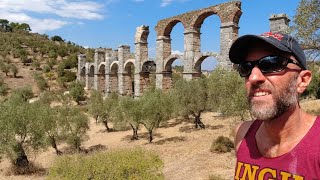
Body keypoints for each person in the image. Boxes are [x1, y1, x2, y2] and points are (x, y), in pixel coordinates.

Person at [229, 31, 320, 179]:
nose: (253, 77)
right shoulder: (242, 133)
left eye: (271, 63)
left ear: (302, 81)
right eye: (246, 67)